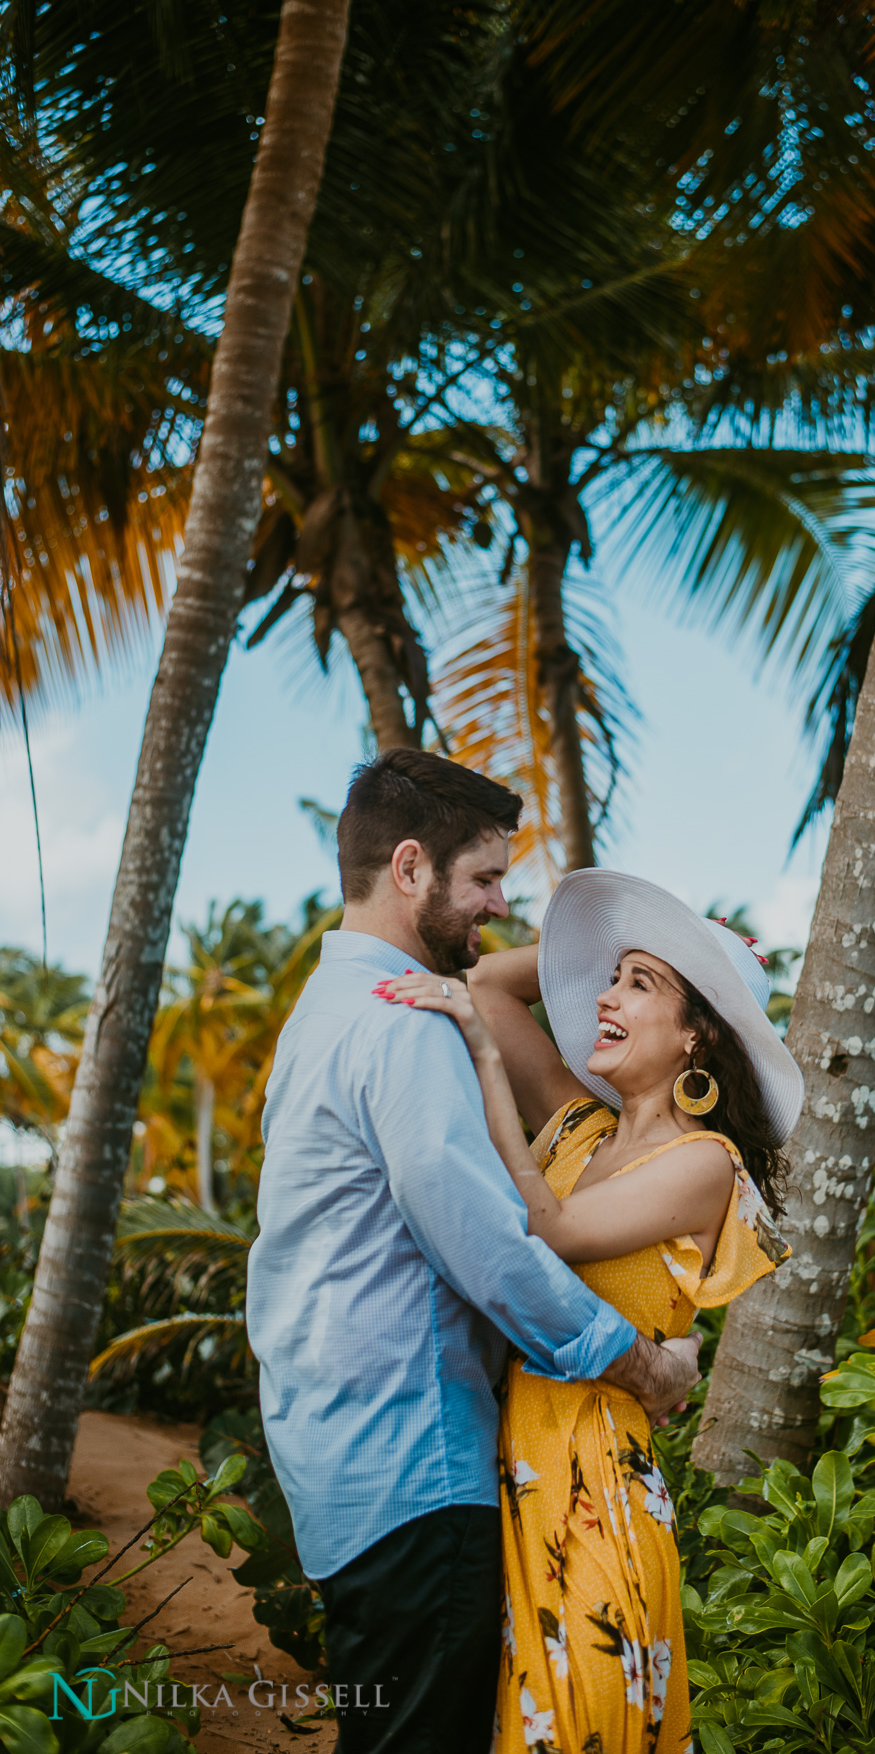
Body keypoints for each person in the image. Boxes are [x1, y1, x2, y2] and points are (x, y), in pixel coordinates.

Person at [245, 752, 700, 1754]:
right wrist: (641, 1366)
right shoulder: (402, 1023)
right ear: (410, 870)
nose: (499, 904)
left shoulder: (323, 1014)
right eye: (486, 878)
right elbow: (486, 1252)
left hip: (342, 1461)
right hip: (415, 1468)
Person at [379, 867, 803, 1753]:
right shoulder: (578, 1128)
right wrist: (599, 959)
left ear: (698, 1035)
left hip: (592, 1483)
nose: (606, 996)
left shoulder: (705, 1163)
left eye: (639, 985)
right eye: (608, 977)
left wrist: (491, 1062)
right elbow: (489, 985)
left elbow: (549, 1226)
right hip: (501, 1464)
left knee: (578, 1726)